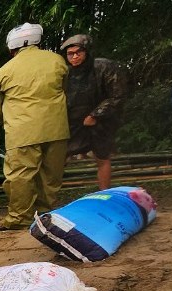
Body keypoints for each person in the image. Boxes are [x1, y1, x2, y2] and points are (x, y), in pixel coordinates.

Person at [0, 23, 70, 231]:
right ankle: (44, 214)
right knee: (51, 175)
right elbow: (66, 89)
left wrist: (8, 119)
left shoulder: (5, 70)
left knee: (21, 176)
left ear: (12, 46)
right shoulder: (57, 60)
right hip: (56, 129)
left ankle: (19, 218)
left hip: (22, 132)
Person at [61, 34, 127, 190]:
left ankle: (104, 195)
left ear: (86, 52)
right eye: (71, 54)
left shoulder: (103, 67)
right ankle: (48, 200)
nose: (75, 57)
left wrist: (96, 114)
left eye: (79, 52)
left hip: (99, 122)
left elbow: (118, 95)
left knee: (102, 157)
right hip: (73, 122)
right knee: (59, 157)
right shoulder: (66, 73)